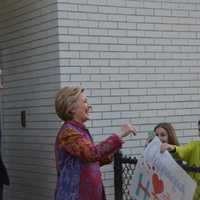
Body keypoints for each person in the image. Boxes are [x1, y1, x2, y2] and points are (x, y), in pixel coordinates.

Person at [54, 86, 136, 200]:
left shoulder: (79, 130)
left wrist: (110, 153)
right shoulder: (68, 133)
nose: (89, 106)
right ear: (71, 108)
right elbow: (91, 153)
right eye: (85, 102)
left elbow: (87, 161)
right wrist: (119, 134)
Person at [160, 122, 200, 200]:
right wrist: (173, 148)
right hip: (192, 195)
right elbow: (183, 150)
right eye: (199, 130)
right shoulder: (195, 146)